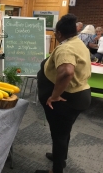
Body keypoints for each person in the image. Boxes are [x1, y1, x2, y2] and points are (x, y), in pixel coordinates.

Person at [36, 14, 91, 173]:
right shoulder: (77, 43)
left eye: (55, 32)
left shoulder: (65, 48)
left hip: (66, 100)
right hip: (79, 96)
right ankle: (59, 156)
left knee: (59, 134)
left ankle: (57, 169)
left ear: (59, 33)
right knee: (64, 131)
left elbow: (67, 72)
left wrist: (54, 96)